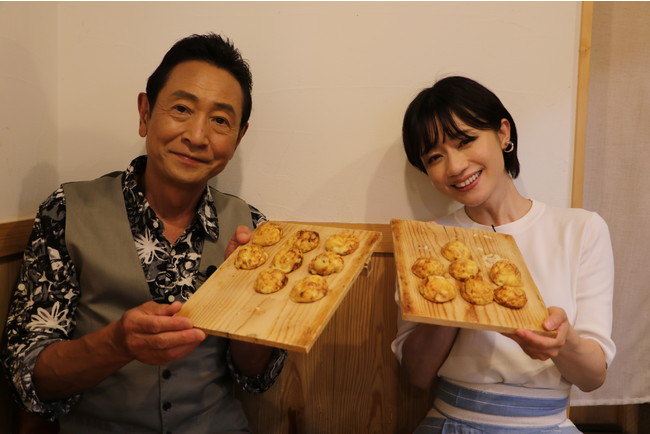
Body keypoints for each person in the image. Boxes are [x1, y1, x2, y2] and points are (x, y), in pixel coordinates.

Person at [2, 33, 287, 433]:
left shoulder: (253, 231)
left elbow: (255, 377)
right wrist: (115, 344)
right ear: (145, 112)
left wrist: (243, 299)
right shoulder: (66, 211)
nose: (197, 136)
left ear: (238, 137)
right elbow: (28, 376)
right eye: (182, 108)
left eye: (221, 120)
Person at [392, 76, 616, 433]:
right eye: (435, 157)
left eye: (465, 141)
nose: (455, 166)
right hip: (450, 422)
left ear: (502, 133)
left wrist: (563, 342)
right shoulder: (428, 242)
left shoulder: (581, 230)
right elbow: (416, 376)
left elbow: (593, 378)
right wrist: (448, 294)